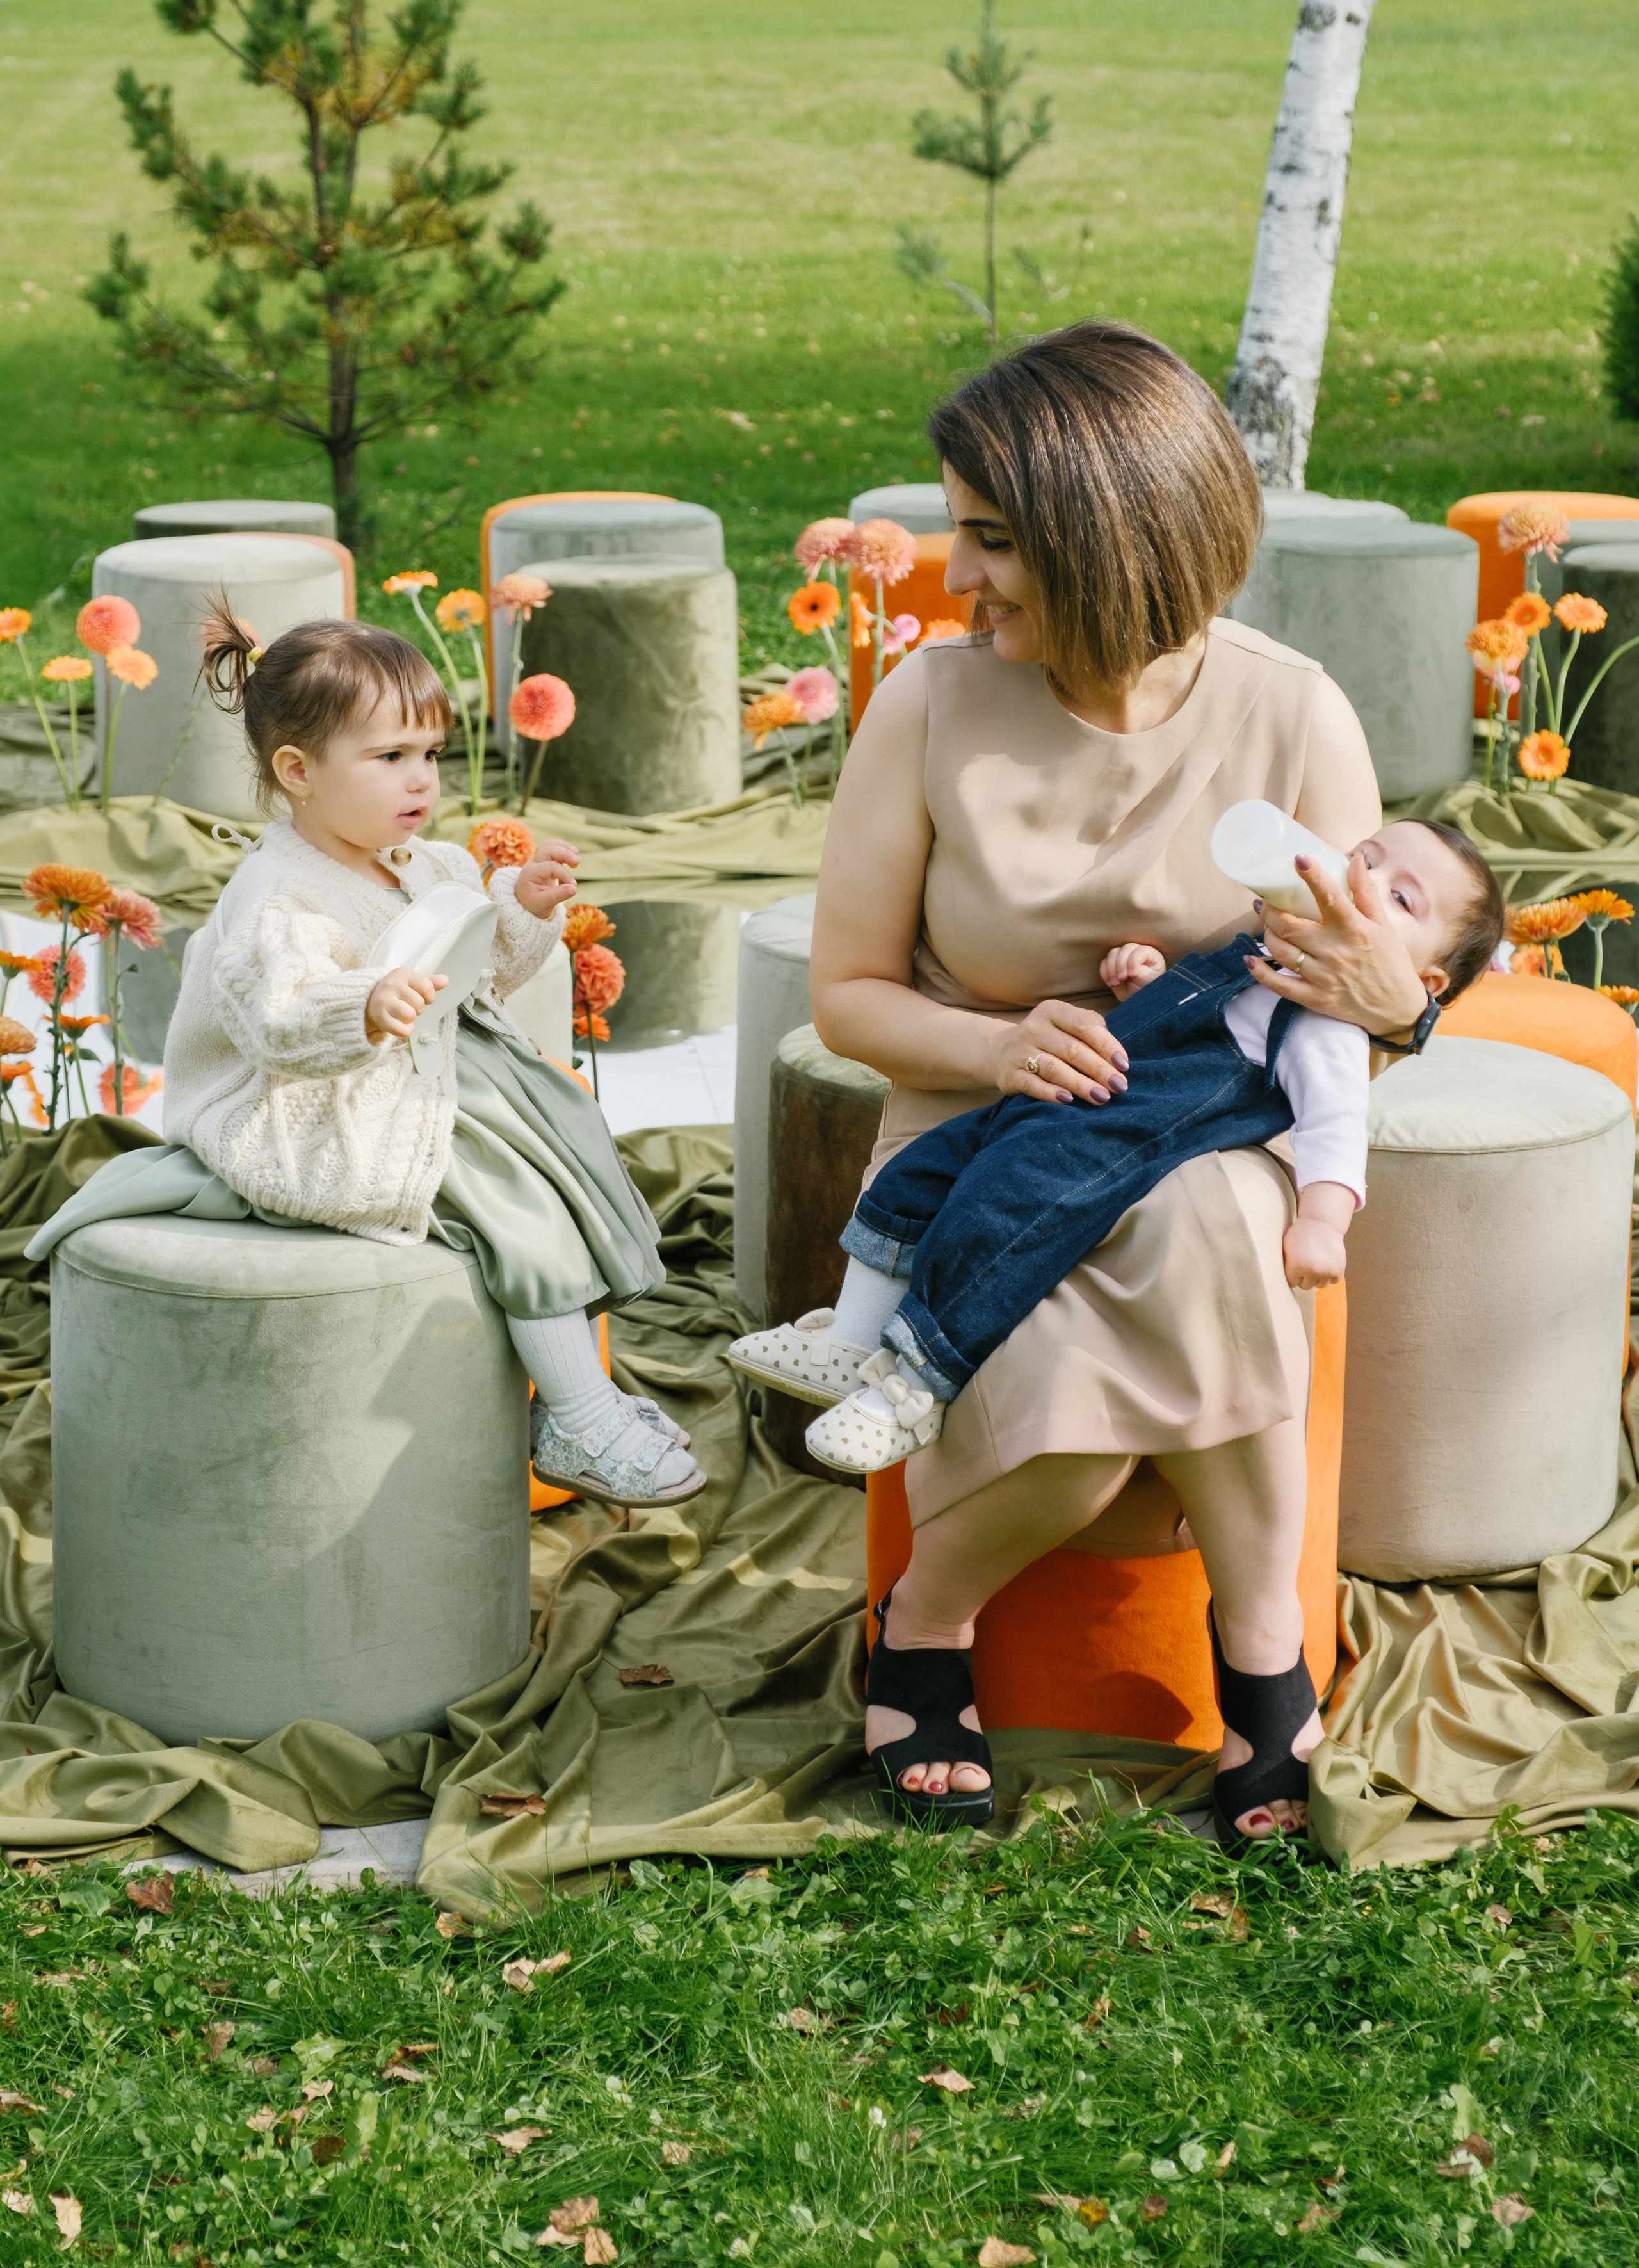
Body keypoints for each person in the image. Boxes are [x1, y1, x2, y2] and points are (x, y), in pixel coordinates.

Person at [732, 321, 1449, 1850]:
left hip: (1203, 1124)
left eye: (989, 540)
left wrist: (1401, 1006)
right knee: (1084, 1278)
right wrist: (997, 1044)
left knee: (1202, 1225)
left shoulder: (1290, 713)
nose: (952, 575)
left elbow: (1349, 999)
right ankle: (935, 1622)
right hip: (971, 1119)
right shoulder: (926, 708)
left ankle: (1234, 1654)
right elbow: (848, 999)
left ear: (1102, 536)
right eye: (954, 531)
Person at [31, 610, 702, 1509]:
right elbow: (282, 1025)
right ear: (299, 773)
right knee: (513, 1203)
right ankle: (578, 1411)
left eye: (430, 753)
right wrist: (367, 1005)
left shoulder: (420, 862)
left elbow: (478, 970)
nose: (421, 779)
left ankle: (584, 1382)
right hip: (317, 1107)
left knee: (562, 1142)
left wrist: (523, 913)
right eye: (389, 758)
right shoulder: (277, 902)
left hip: (430, 1072)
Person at [737, 817, 1505, 1473]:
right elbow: (1192, 1030)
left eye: (1399, 899)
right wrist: (1150, 987)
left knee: (1002, 1217)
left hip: (1110, 1143)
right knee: (923, 1168)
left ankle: (914, 1386)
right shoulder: (1259, 962)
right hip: (1064, 1098)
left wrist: (1322, 1223)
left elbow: (1336, 1126)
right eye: (1364, 857)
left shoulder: (1324, 1025)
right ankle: (850, 1338)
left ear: (1422, 981)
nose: (1362, 883)